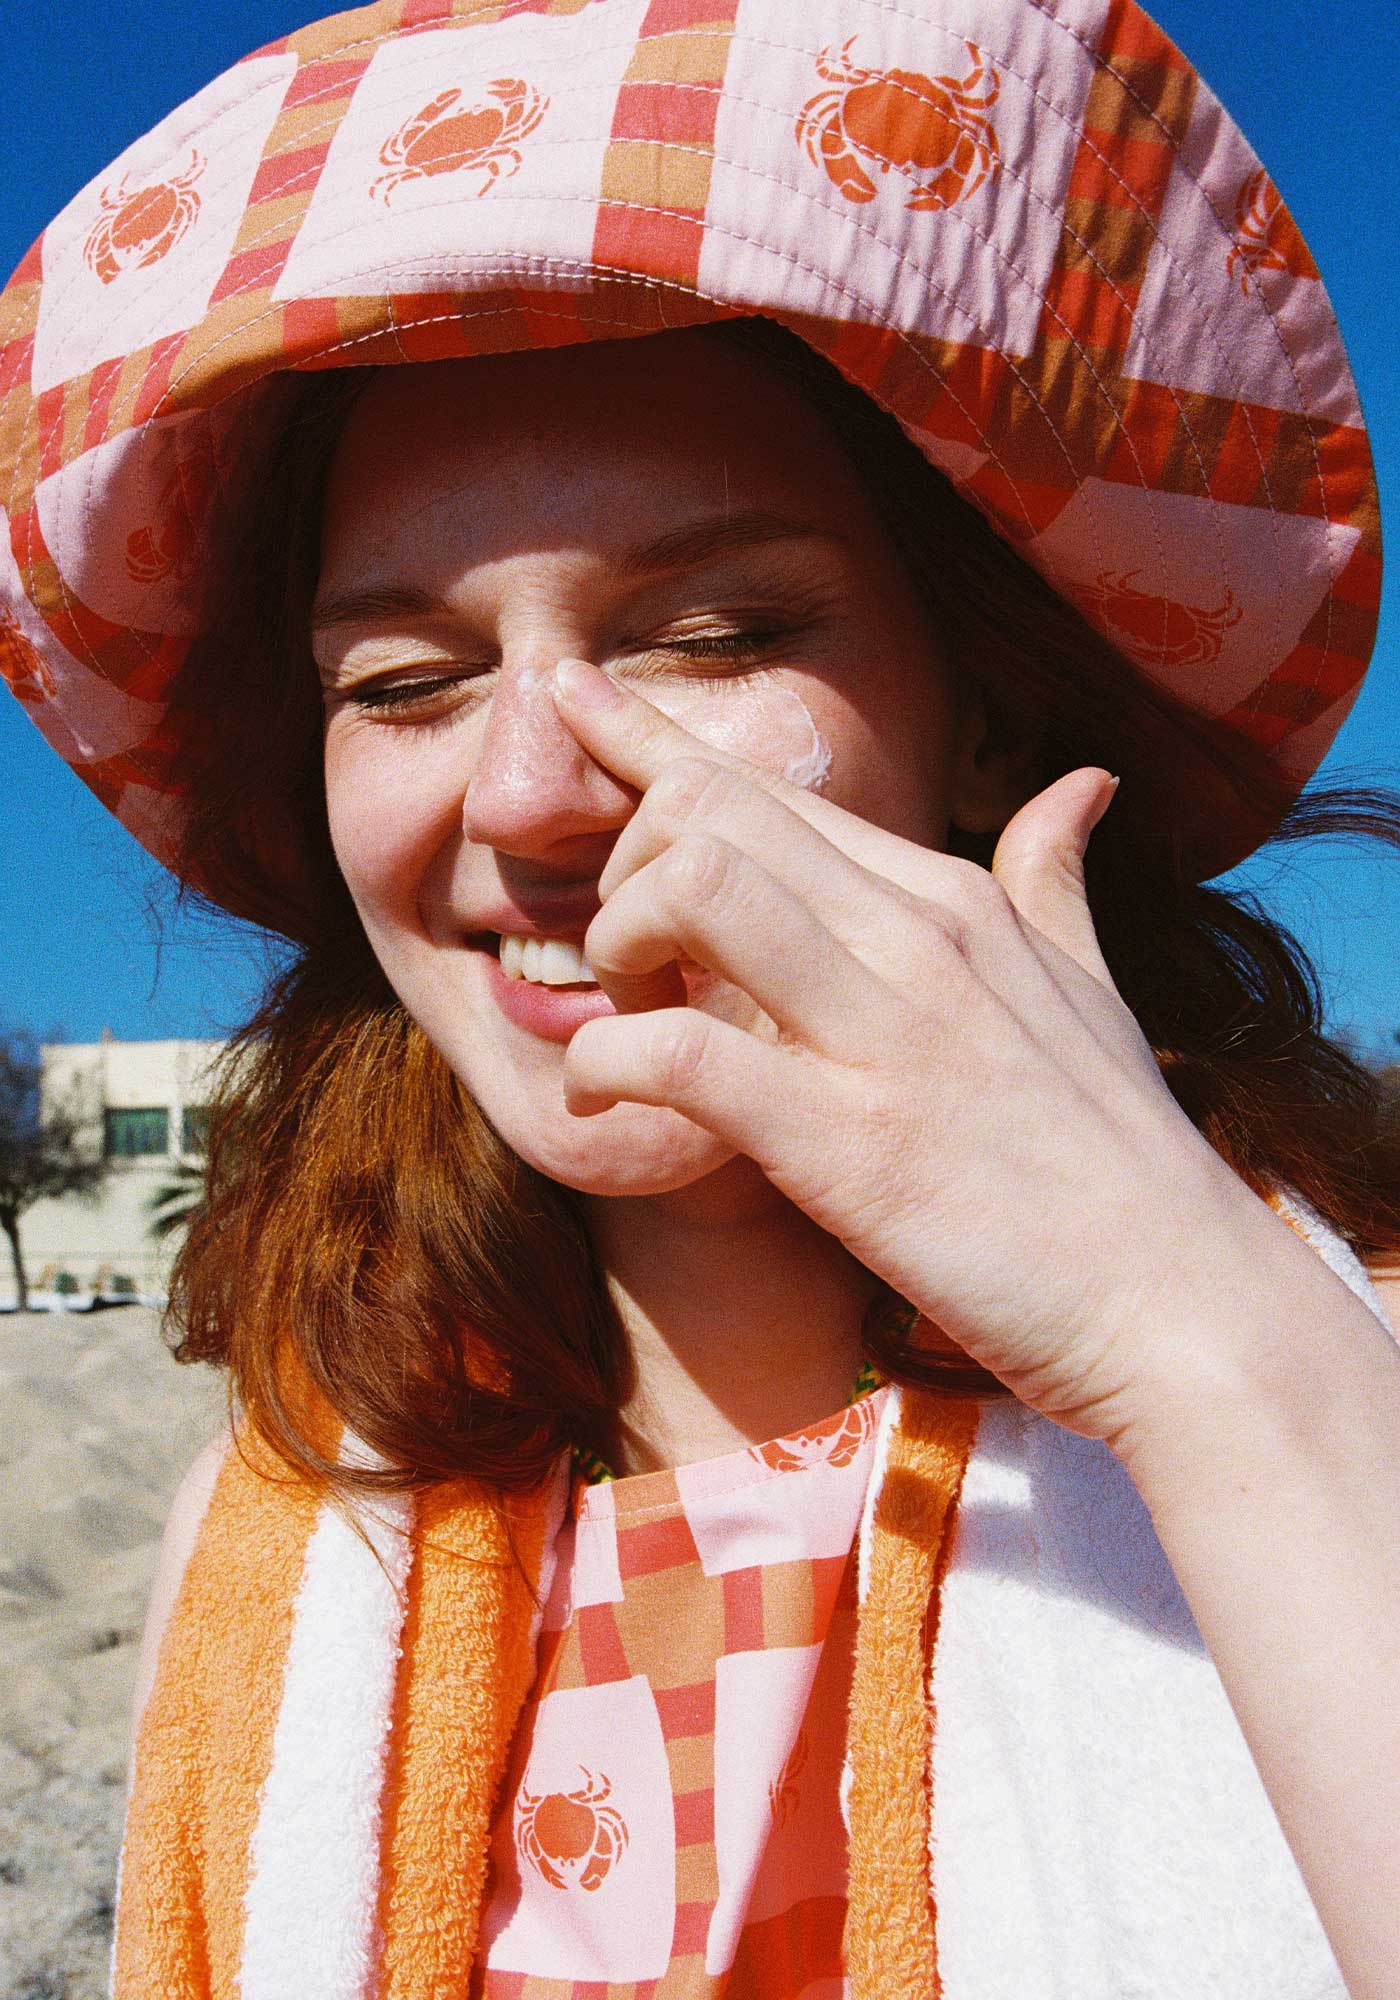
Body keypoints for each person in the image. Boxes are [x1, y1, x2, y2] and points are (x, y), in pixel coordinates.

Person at [1, 1, 1397, 1994]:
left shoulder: (1333, 1369)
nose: (529, 790)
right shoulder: (278, 1532)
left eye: (713, 633)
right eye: (399, 682)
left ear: (984, 713)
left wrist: (1180, 1327)